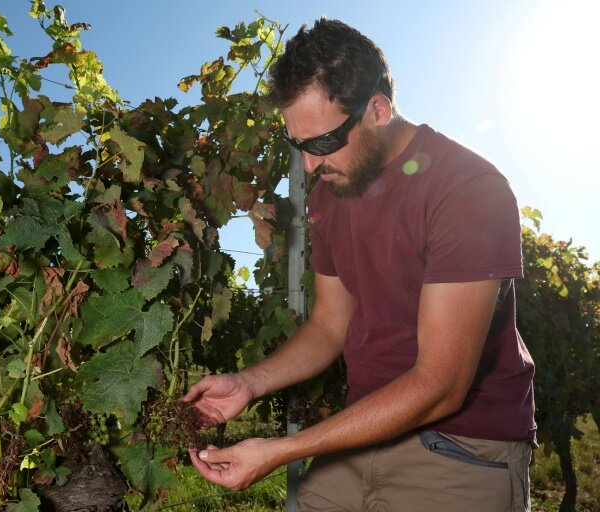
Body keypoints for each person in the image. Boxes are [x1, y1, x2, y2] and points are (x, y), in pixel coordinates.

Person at [181, 18, 537, 512]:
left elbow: (441, 387)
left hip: (461, 447)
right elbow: (330, 324)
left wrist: (281, 451)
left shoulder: (468, 190)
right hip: (362, 432)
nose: (310, 166)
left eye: (322, 143)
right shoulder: (332, 194)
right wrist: (248, 383)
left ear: (378, 110)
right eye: (298, 145)